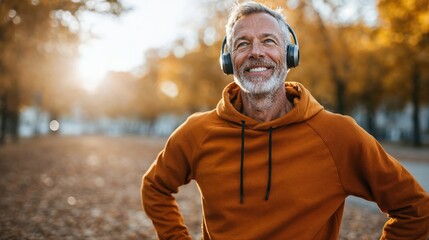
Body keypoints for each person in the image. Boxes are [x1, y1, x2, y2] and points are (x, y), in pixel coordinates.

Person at [141, 1, 429, 239]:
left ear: (290, 54)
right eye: (242, 44)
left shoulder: (337, 134)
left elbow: (415, 207)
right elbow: (155, 187)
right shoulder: (198, 131)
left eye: (268, 41)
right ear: (229, 61)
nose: (256, 52)